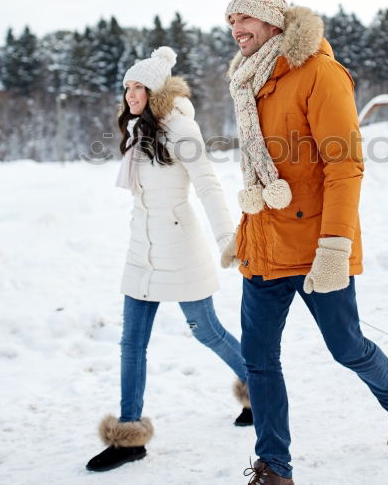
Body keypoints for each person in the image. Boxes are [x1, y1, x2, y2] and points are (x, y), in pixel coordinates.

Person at [219, 0, 388, 485]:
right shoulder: (248, 79)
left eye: (245, 16)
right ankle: (274, 467)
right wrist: (242, 233)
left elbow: (344, 165)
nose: (236, 26)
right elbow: (261, 166)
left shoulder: (319, 73)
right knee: (259, 360)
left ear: (272, 18)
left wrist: (334, 247)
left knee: (346, 347)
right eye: (231, 18)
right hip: (264, 245)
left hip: (315, 246)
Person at [86, 46, 251, 473]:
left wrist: (226, 239)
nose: (130, 94)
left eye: (138, 86)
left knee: (206, 330)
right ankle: (128, 436)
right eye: (127, 86)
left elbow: (209, 186)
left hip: (180, 249)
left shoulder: (181, 129)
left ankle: (258, 388)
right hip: (142, 249)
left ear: (155, 89)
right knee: (131, 343)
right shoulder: (140, 131)